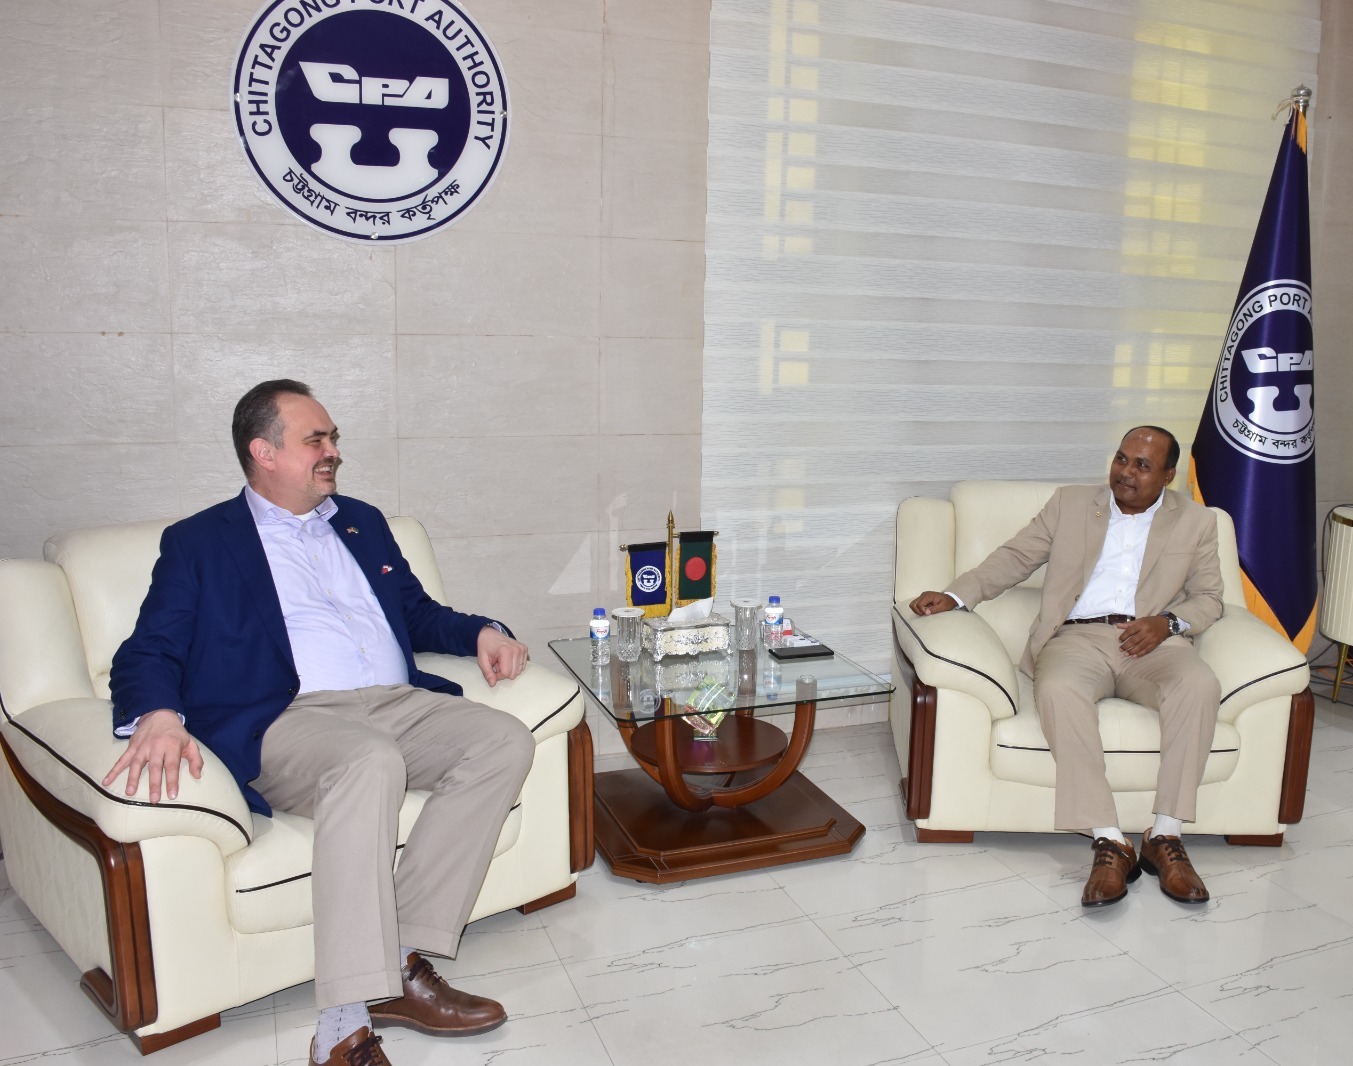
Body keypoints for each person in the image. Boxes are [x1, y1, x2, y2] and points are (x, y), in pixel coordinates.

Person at [102, 380, 536, 1066]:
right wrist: (157, 713)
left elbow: (415, 612)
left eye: (333, 438)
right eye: (316, 440)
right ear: (264, 452)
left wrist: (482, 630)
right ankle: (340, 1026)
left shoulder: (359, 520)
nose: (333, 451)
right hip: (287, 717)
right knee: (368, 761)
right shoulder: (201, 542)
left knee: (501, 740)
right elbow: (149, 647)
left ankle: (398, 961)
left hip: (394, 702)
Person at [909, 426, 1223, 909]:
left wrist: (1167, 623)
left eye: (1142, 465)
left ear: (1168, 476)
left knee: (1199, 684)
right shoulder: (1071, 504)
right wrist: (955, 594)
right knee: (1057, 689)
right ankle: (1110, 842)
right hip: (1077, 637)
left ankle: (1165, 835)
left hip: (1153, 640)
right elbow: (1016, 557)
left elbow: (1209, 598)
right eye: (1121, 459)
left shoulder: (1197, 521)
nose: (1126, 472)